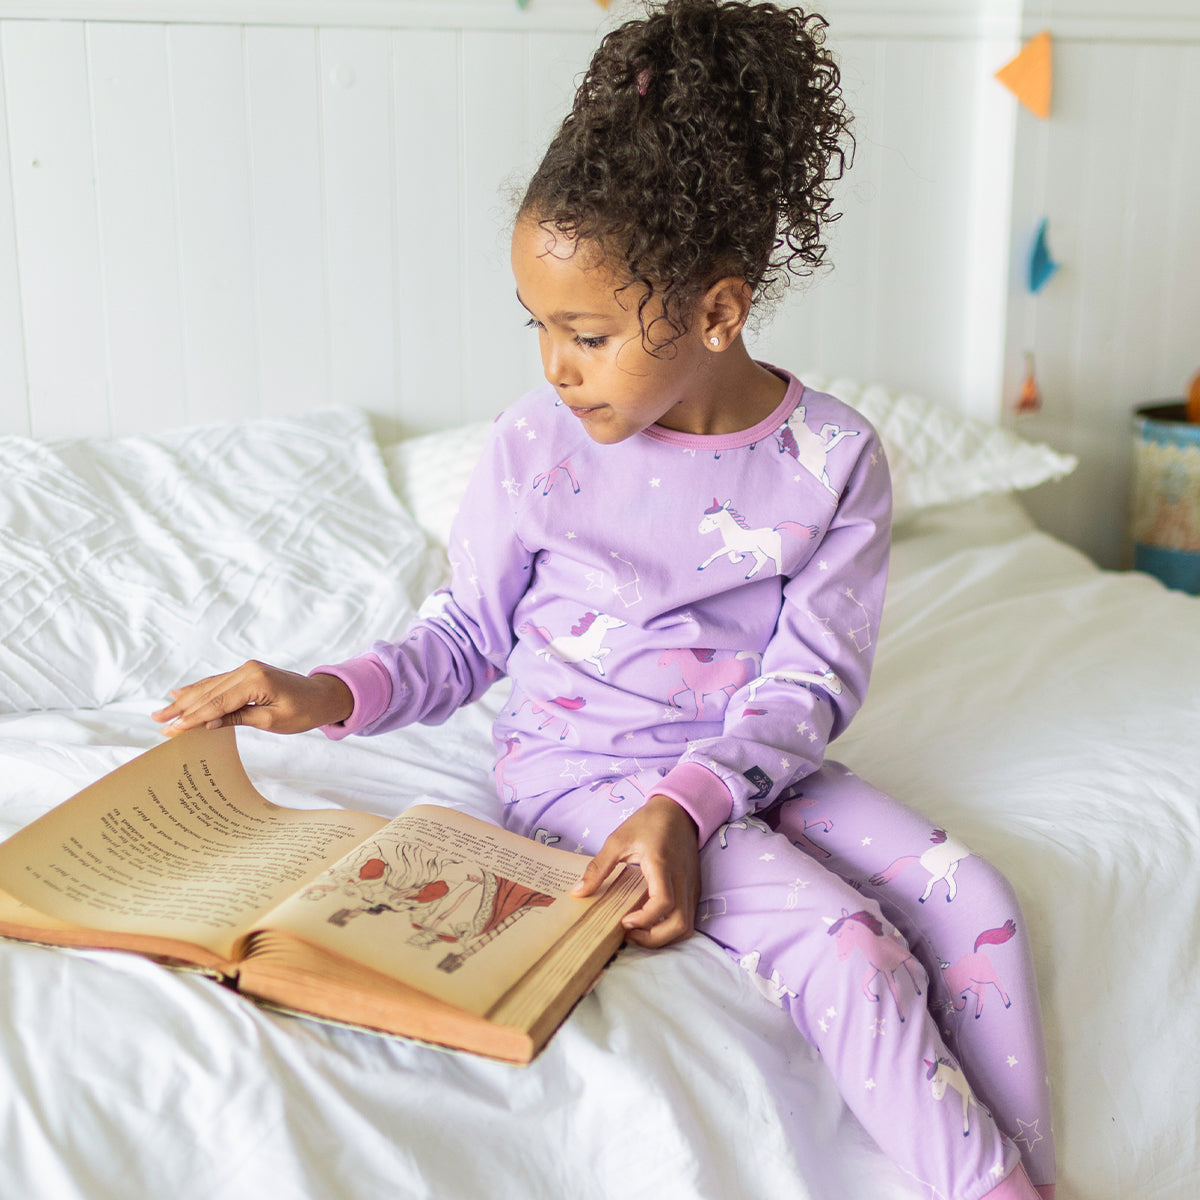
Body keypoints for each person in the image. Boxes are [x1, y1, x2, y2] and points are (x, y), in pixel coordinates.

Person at [153, 3, 1055, 1197]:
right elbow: (467, 635)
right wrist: (323, 692)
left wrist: (698, 801)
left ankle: (1026, 1174)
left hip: (750, 768)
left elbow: (809, 684)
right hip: (583, 781)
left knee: (979, 899)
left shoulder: (834, 460)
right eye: (538, 327)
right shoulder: (538, 446)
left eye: (584, 333)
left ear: (718, 312)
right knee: (849, 948)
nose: (552, 366)